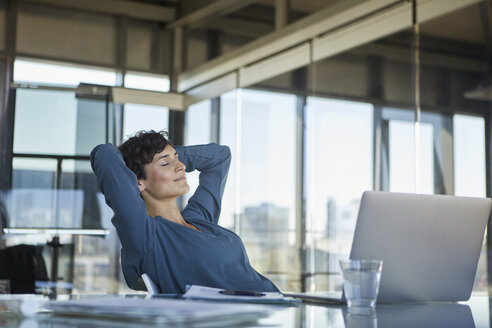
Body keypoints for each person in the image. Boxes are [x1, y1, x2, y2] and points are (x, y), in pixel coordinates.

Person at [90, 130, 279, 293]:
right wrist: (139, 160)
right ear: (138, 182)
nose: (181, 167)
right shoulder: (146, 234)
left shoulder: (199, 218)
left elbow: (220, 156)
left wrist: (167, 156)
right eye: (165, 164)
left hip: (278, 307)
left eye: (178, 159)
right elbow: (105, 154)